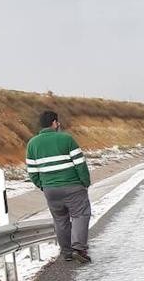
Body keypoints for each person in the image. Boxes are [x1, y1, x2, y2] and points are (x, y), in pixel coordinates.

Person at [26, 110, 93, 263]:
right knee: (81, 214)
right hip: (73, 186)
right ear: (55, 123)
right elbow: (80, 164)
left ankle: (67, 253)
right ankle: (79, 248)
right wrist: (85, 182)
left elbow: (32, 171)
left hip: (51, 191)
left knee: (60, 220)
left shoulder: (32, 144)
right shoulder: (66, 139)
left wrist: (43, 186)